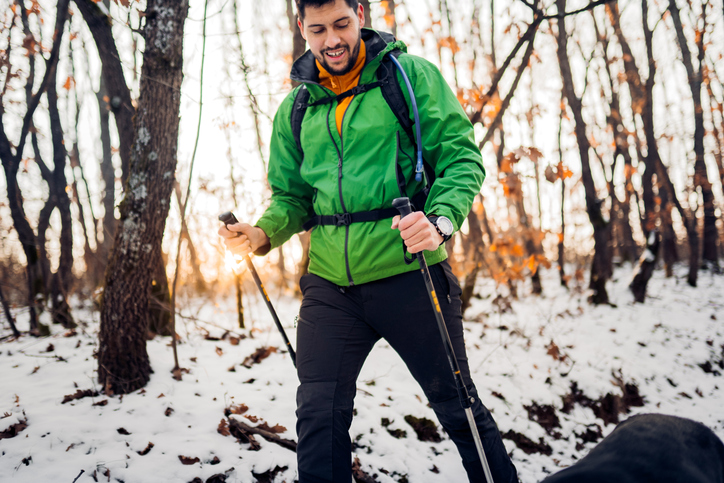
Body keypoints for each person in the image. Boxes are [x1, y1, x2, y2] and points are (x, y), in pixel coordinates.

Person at [218, 1, 519, 481]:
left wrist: (438, 220)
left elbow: (462, 159)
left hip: (410, 274)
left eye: (341, 24)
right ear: (302, 29)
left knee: (455, 406)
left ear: (360, 14)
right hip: (330, 285)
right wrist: (260, 233)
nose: (331, 39)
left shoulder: (408, 77)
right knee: (317, 414)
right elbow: (292, 198)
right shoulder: (296, 106)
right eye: (318, 30)